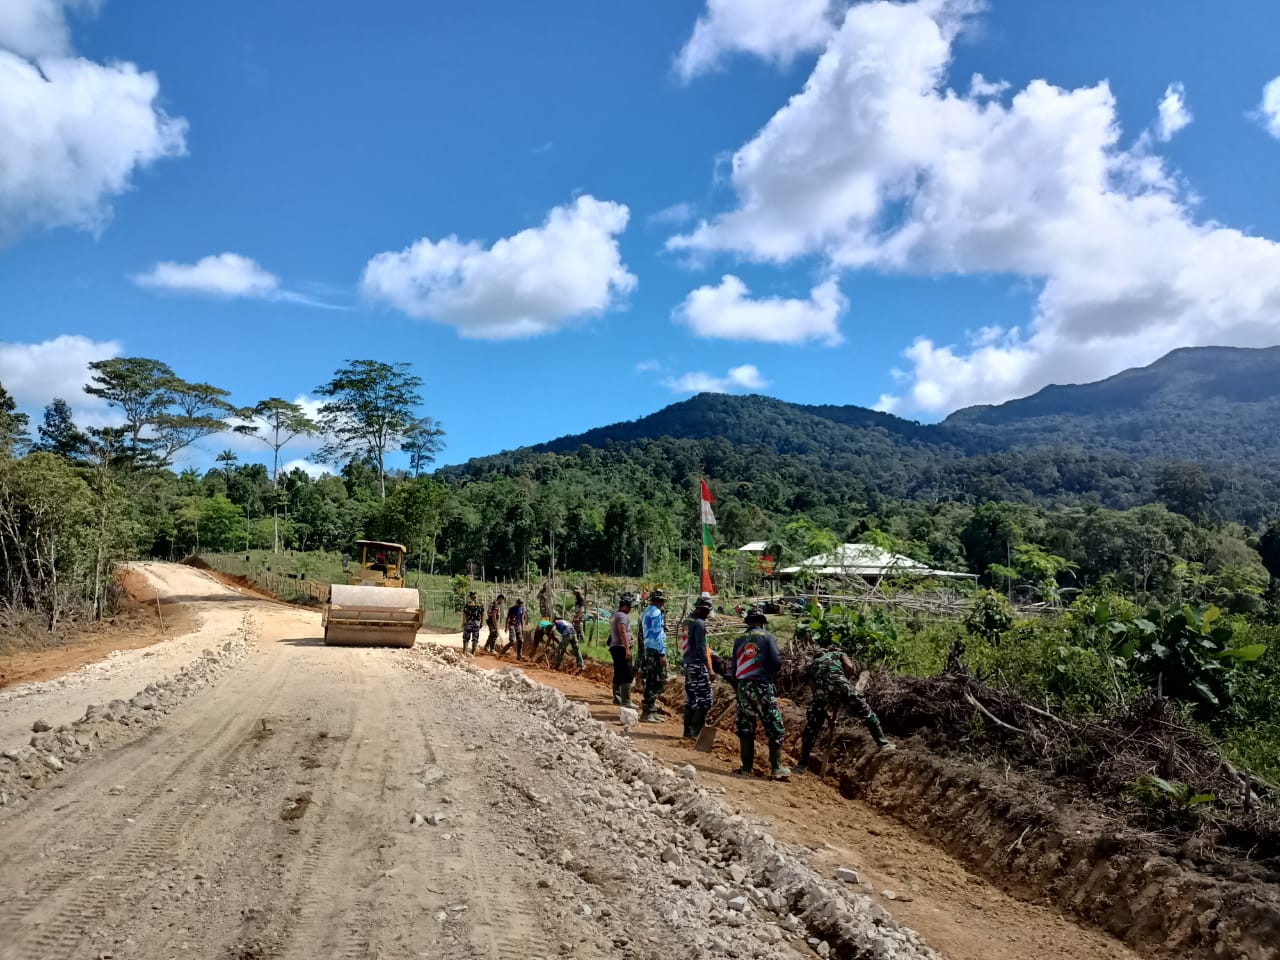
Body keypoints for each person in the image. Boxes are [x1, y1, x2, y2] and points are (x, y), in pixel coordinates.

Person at [796, 637, 894, 771]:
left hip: (820, 693)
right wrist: (845, 682)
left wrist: (827, 712)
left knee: (812, 727)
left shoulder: (814, 665)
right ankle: (884, 744)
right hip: (840, 684)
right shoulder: (838, 654)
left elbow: (813, 687)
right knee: (866, 712)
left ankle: (802, 764)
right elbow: (849, 667)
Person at [733, 605, 789, 780]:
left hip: (743, 686)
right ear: (762, 623)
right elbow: (776, 661)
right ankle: (777, 767)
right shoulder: (768, 637)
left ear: (748, 623)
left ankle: (746, 767)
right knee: (774, 724)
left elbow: (733, 666)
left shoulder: (739, 639)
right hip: (762, 685)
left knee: (746, 725)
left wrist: (740, 685)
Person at [681, 594, 715, 739]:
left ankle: (687, 731)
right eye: (707, 610)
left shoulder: (687, 620)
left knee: (691, 698)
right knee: (705, 700)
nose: (708, 613)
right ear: (702, 609)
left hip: (688, 663)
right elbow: (701, 648)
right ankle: (696, 731)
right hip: (697, 665)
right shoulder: (699, 623)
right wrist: (710, 669)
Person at [639, 589, 668, 724]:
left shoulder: (647, 612)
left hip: (648, 648)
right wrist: (662, 653)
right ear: (659, 601)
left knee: (650, 678)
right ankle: (648, 710)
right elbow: (657, 634)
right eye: (662, 601)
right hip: (656, 650)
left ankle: (651, 711)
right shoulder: (656, 613)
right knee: (658, 680)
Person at [609, 593, 636, 705]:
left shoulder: (615, 615)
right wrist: (627, 649)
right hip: (620, 648)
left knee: (619, 673)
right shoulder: (622, 616)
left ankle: (617, 698)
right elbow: (622, 632)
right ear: (624, 605)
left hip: (615, 647)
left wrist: (631, 638)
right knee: (627, 674)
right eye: (629, 606)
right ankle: (626, 701)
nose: (630, 609)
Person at [461, 591, 484, 656]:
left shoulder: (468, 604)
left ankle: (464, 653)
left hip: (468, 622)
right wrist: (482, 623)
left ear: (470, 597)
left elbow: (464, 613)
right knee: (475, 638)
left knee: (466, 638)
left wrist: (463, 622)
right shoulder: (480, 604)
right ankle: (473, 653)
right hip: (477, 623)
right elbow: (482, 614)